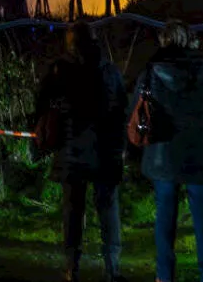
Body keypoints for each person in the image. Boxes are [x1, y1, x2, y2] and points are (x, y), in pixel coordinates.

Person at [33, 22, 129, 282]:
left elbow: (40, 107)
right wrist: (120, 147)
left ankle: (71, 268)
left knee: (73, 212)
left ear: (70, 43)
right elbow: (122, 110)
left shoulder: (58, 72)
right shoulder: (109, 71)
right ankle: (112, 269)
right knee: (108, 210)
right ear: (94, 41)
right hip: (105, 153)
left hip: (71, 153)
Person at [136, 19, 203, 282]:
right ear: (189, 40)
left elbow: (137, 113)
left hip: (163, 156)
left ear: (165, 41)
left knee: (165, 218)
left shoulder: (151, 72)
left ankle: (164, 276)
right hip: (199, 155)